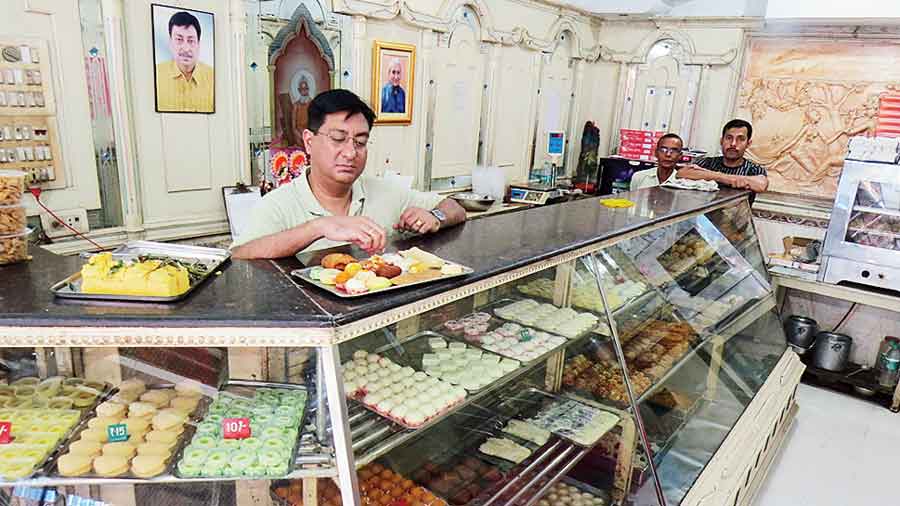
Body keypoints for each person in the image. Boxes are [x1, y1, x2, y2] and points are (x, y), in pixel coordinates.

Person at [232, 89, 466, 259]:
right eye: (338, 139)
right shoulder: (279, 204)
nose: (350, 152)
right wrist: (318, 227)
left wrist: (435, 216)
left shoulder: (386, 192)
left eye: (360, 142)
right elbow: (239, 255)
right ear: (309, 141)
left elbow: (455, 208)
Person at [677, 119, 768, 193]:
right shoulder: (708, 162)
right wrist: (724, 178)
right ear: (721, 141)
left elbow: (761, 184)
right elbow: (681, 173)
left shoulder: (753, 169)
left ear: (748, 144)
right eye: (729, 138)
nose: (733, 144)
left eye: (740, 139)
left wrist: (707, 174)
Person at [155, 11, 214, 113]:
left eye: (191, 41)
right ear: (170, 42)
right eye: (179, 39)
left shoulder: (213, 77)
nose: (186, 48)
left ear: (198, 44)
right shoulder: (156, 75)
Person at [292, 77, 313, 147]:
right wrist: (300, 136)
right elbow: (294, 127)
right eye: (302, 89)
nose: (304, 91)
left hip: (310, 132)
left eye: (306, 89)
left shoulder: (312, 104)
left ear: (308, 90)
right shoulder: (296, 105)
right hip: (299, 133)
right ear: (299, 90)